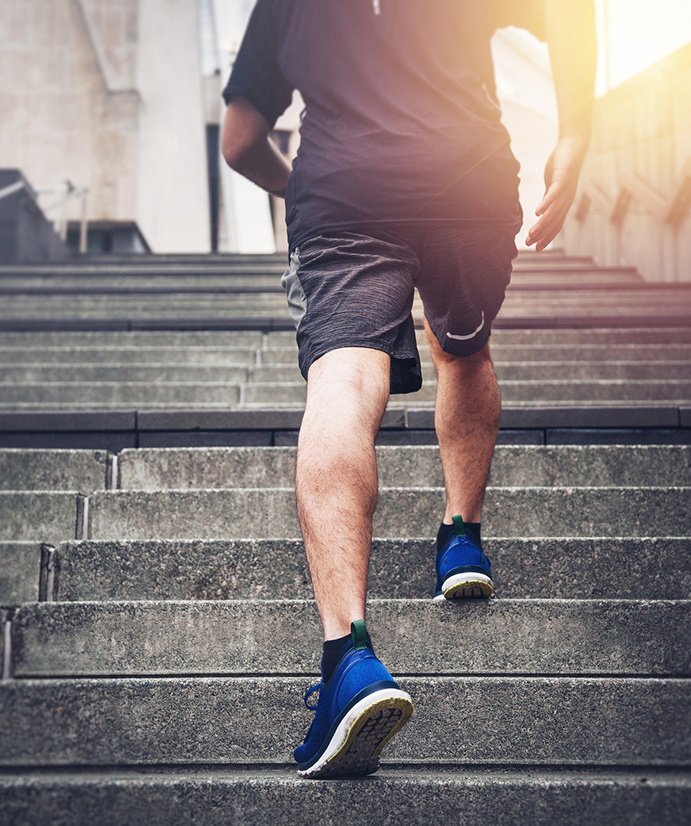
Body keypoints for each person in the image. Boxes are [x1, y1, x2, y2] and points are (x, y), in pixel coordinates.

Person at [221, 0, 596, 779]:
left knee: (346, 378)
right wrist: (576, 134)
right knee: (462, 349)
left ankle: (351, 658)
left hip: (346, 196)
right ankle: (461, 535)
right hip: (468, 184)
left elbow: (240, 139)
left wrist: (309, 186)